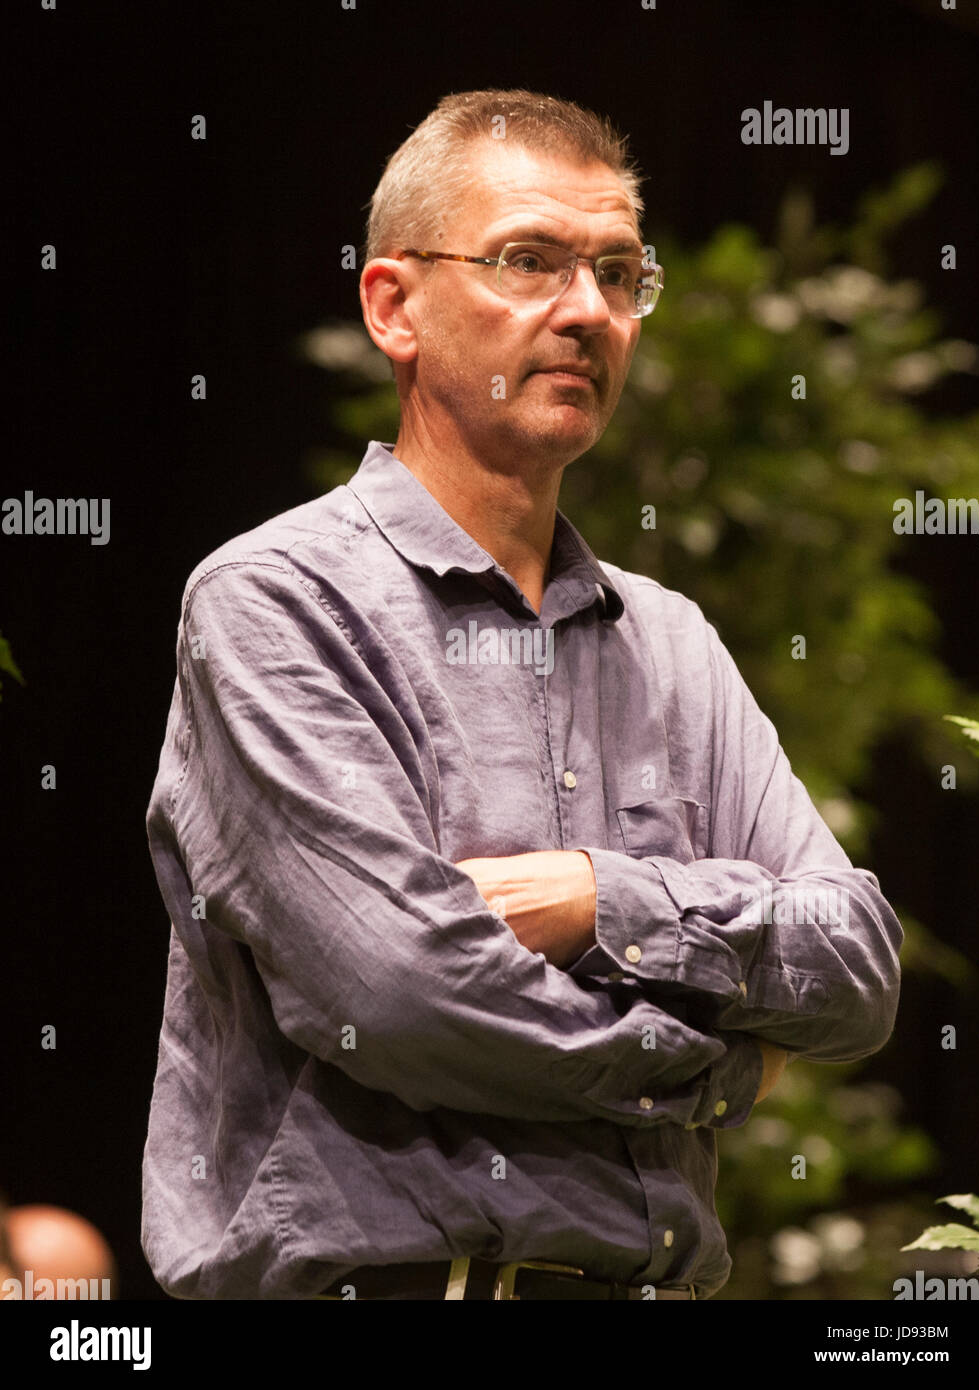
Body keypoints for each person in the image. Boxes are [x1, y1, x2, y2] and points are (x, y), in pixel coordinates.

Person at [141, 89, 902, 1301]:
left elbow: (857, 962)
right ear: (393, 307)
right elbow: (401, 994)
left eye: (617, 272)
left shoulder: (673, 641)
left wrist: (606, 898)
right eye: (530, 261)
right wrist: (723, 1067)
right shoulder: (276, 602)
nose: (585, 310)